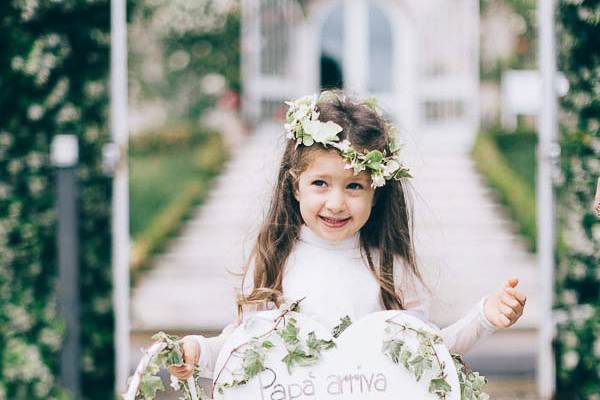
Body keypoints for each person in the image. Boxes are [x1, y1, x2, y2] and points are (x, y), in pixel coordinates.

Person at [169, 91, 527, 380]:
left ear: (376, 191)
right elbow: (240, 352)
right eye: (320, 183)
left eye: (354, 186)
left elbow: (430, 355)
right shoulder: (275, 263)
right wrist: (199, 353)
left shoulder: (388, 269)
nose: (336, 203)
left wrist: (483, 318)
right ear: (296, 186)